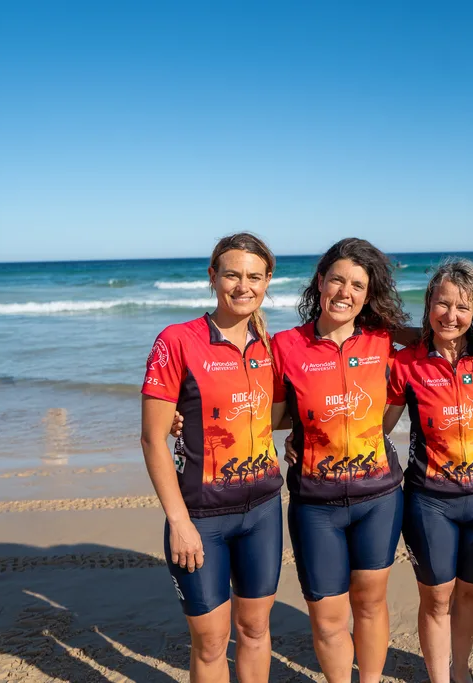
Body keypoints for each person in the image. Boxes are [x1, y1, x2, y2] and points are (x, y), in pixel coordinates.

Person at [141, 232, 285, 683]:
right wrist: (179, 522)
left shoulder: (269, 346)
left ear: (267, 283)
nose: (244, 286)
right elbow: (151, 439)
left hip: (263, 511)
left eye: (255, 277)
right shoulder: (177, 341)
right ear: (213, 277)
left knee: (256, 628)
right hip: (201, 517)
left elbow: (274, 417)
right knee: (209, 643)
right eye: (233, 275)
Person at [272, 238, 408, 683]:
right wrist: (182, 418)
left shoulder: (383, 341)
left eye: (357, 285)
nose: (345, 292)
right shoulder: (286, 345)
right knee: (328, 617)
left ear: (368, 296)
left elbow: (423, 372)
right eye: (337, 280)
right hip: (315, 504)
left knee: (370, 603)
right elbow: (258, 406)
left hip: (379, 498)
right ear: (320, 282)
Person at [384, 260, 473, 683]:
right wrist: (300, 433)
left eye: (462, 307)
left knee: (471, 591)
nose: (451, 315)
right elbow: (375, 425)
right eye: (442, 303)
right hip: (428, 500)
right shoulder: (408, 363)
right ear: (429, 304)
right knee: (436, 598)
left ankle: (461, 672)